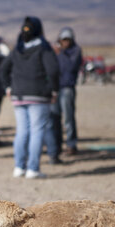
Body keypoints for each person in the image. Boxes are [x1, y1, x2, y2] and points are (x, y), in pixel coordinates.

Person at [0, 16, 59, 178]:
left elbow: (3, 69)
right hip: (39, 95)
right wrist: (54, 90)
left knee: (22, 131)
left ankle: (19, 167)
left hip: (18, 95)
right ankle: (33, 168)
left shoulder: (18, 48)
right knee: (37, 131)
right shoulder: (43, 47)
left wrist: (8, 87)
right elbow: (53, 70)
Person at [45, 26, 82, 162]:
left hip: (67, 88)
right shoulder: (55, 51)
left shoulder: (75, 51)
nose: (65, 42)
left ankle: (71, 145)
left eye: (68, 40)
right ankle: (57, 145)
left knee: (68, 118)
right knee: (54, 118)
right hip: (55, 88)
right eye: (63, 40)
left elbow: (70, 67)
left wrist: (60, 53)